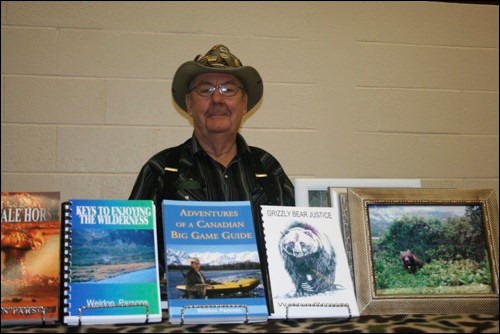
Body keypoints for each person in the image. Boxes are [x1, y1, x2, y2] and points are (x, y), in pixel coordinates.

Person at [129, 44, 295, 287]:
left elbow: (291, 242)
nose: (217, 98)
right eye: (205, 89)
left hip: (262, 318)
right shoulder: (160, 170)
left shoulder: (269, 170)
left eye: (228, 89)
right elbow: (135, 254)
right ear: (189, 104)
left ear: (244, 103)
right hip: (181, 319)